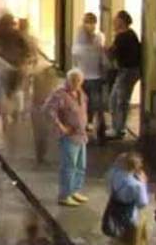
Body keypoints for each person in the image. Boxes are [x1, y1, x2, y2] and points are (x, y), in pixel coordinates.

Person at [104, 153, 151, 245]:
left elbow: (111, 175)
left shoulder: (114, 174)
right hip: (130, 219)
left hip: (115, 215)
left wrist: (120, 160)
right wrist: (143, 183)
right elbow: (143, 203)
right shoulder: (136, 185)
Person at [45, 70, 90, 207]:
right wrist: (61, 127)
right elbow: (48, 110)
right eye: (73, 80)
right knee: (69, 166)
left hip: (81, 135)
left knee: (80, 166)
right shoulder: (60, 94)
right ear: (68, 80)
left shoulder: (81, 94)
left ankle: (74, 190)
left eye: (79, 81)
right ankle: (65, 195)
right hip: (69, 136)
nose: (76, 83)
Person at [71, 11, 109, 135]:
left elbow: (75, 61)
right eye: (89, 22)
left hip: (86, 77)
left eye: (91, 22)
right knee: (95, 105)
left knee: (86, 103)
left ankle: (88, 124)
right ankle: (95, 125)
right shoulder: (97, 41)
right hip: (92, 77)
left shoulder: (80, 45)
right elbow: (104, 60)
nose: (90, 25)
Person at [106, 11, 143, 141]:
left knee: (119, 100)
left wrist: (106, 50)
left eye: (115, 20)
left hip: (127, 71)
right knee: (117, 99)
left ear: (121, 21)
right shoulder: (130, 34)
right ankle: (117, 127)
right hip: (130, 70)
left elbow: (112, 54)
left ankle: (118, 129)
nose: (113, 22)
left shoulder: (122, 36)